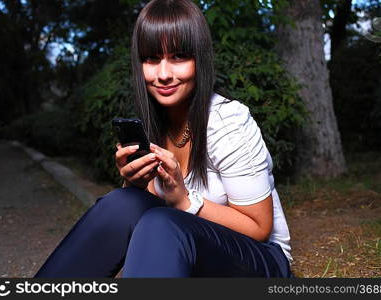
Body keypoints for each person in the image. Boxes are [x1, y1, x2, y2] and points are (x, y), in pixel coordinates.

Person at [35, 0, 293, 278]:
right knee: (120, 203)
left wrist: (184, 201)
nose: (164, 74)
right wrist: (135, 184)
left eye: (179, 56)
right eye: (152, 58)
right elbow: (143, 214)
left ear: (200, 59)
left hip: (260, 261)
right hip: (186, 248)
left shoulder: (228, 122)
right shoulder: (153, 122)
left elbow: (258, 228)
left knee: (162, 222)